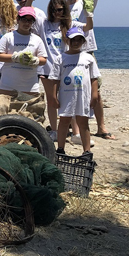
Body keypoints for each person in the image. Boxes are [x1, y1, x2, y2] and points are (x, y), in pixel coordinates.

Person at [61, 0, 114, 140]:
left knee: (96, 92)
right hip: (68, 53)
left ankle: (101, 127)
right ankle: (76, 131)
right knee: (72, 91)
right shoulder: (61, 8)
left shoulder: (86, 2)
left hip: (87, 51)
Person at [36, 0, 94, 141]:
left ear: (65, 9)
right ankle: (54, 131)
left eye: (60, 9)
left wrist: (89, 13)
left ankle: (76, 133)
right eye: (54, 10)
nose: (57, 12)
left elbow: (88, 27)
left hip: (67, 67)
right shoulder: (44, 24)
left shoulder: (70, 23)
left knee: (71, 99)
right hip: (48, 68)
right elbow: (29, 12)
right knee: (52, 100)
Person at [49, 26, 100, 158]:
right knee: (64, 121)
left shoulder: (88, 58)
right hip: (67, 95)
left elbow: (94, 78)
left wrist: (95, 94)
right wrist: (53, 96)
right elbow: (55, 79)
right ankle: (60, 149)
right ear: (67, 40)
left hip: (83, 96)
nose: (76, 42)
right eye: (73, 40)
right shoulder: (61, 58)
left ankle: (86, 151)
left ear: (83, 41)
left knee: (83, 122)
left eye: (79, 40)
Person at [0, 7, 47, 95]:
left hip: (30, 86)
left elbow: (44, 59)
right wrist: (16, 57)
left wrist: (35, 60)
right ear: (18, 20)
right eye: (24, 20)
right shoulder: (8, 37)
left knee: (30, 108)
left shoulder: (37, 39)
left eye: (30, 21)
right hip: (8, 85)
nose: (27, 23)